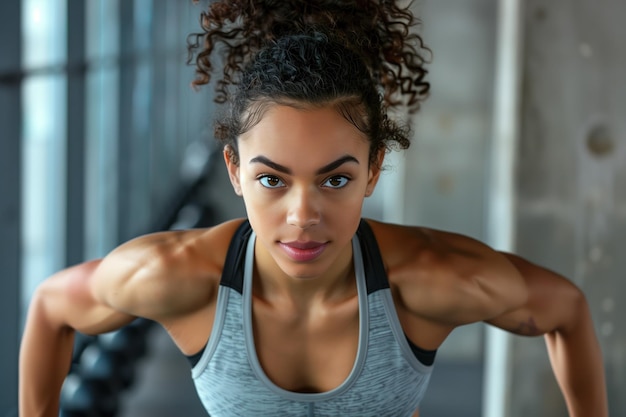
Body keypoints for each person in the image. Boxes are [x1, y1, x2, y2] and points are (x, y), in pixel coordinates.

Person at [19, 1, 608, 416]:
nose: (303, 215)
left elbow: (566, 310)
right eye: (272, 180)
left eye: (335, 180)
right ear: (234, 171)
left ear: (373, 169)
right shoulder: (178, 277)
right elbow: (51, 308)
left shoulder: (430, 280)